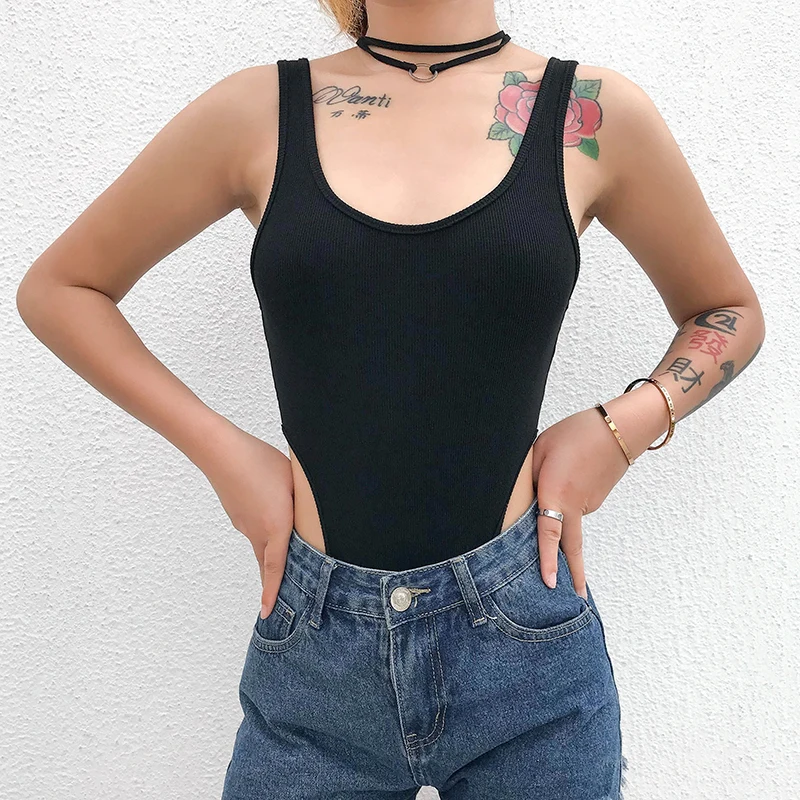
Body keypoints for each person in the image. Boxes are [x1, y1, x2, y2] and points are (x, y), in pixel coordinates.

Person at [16, 0, 765, 797]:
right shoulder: (259, 111)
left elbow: (728, 311)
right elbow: (62, 289)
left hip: (527, 652)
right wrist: (225, 454)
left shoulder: (589, 113)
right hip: (315, 657)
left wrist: (621, 427)